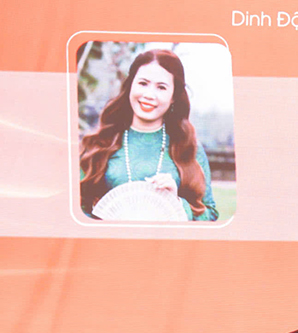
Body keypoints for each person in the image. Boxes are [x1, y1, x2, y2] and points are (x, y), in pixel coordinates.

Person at [79, 48, 219, 220]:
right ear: (130, 85)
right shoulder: (97, 144)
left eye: (161, 87)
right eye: (143, 83)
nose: (149, 95)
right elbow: (77, 211)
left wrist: (177, 203)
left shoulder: (189, 148)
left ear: (173, 97)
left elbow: (210, 216)